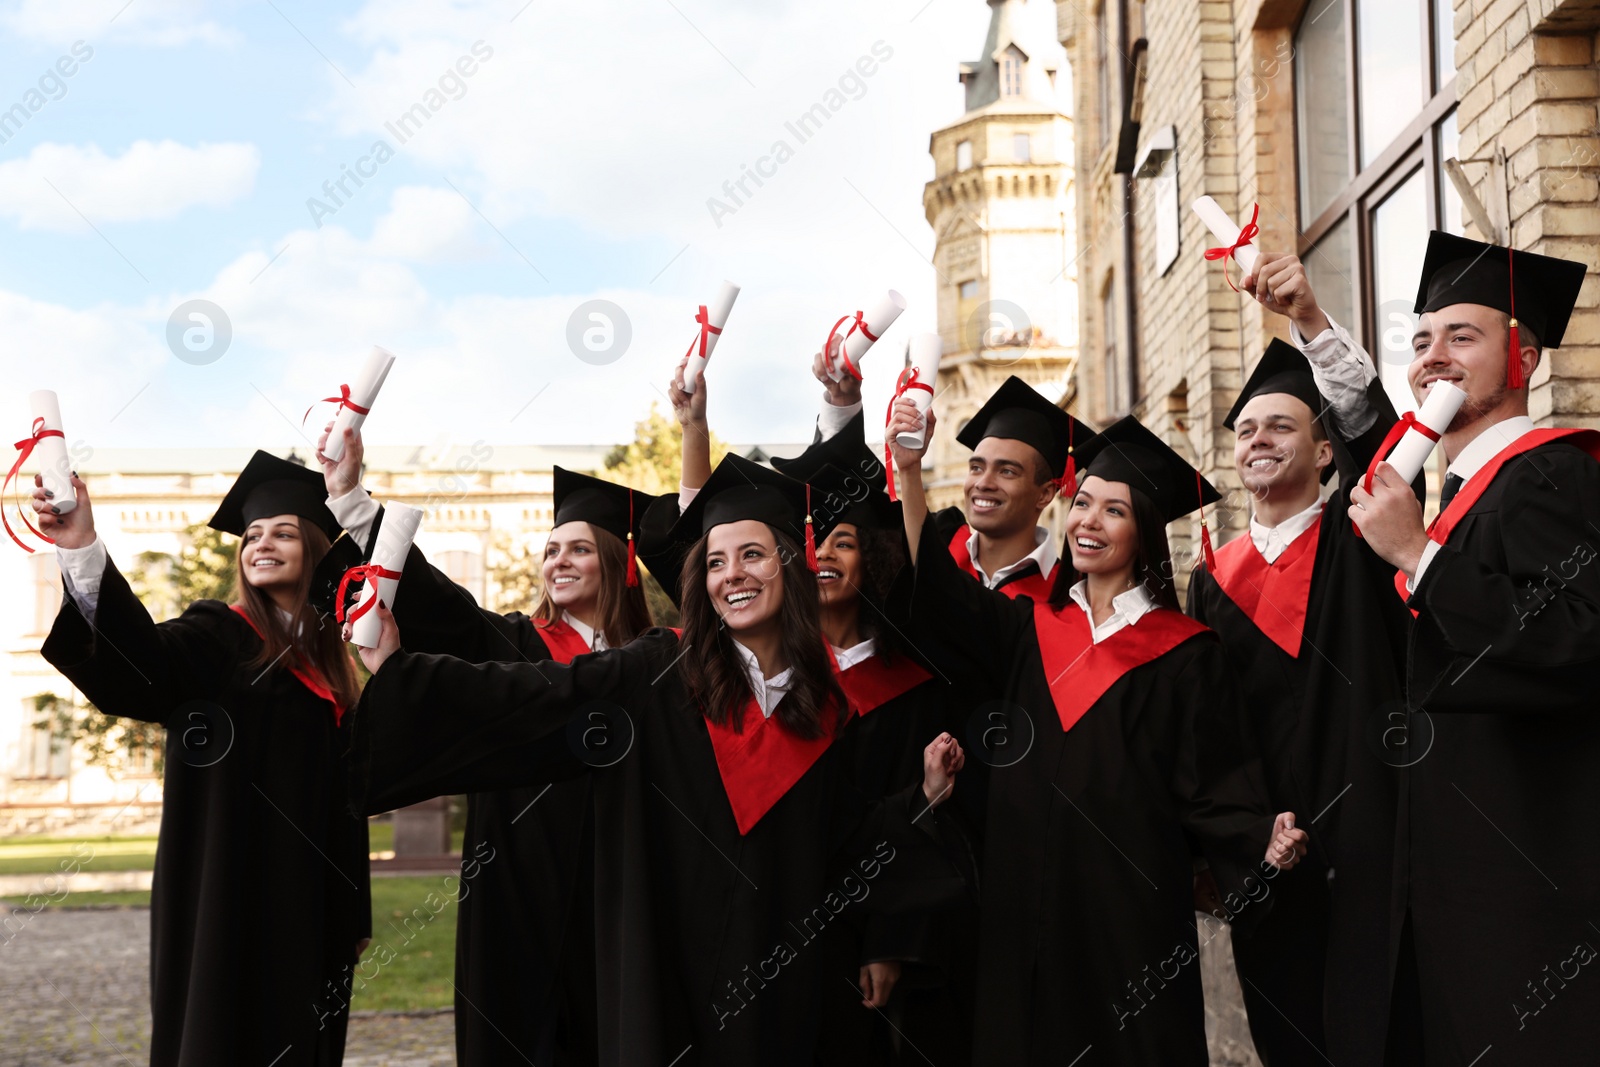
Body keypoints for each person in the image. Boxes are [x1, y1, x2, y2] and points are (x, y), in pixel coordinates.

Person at [348, 451, 964, 1066]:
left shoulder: (825, 709)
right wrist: (406, 677)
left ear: (791, 564)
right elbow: (536, 697)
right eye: (716, 562)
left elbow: (844, 840)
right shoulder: (657, 673)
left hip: (776, 996)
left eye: (752, 555)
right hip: (662, 984)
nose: (732, 575)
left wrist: (923, 798)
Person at [886, 401, 1308, 1065]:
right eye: (1083, 502)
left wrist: (1263, 842)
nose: (1089, 520)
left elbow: (1216, 786)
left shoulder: (1186, 651)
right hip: (1018, 903)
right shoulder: (1025, 627)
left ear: (1142, 531)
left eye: (1115, 509)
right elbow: (936, 590)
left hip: (1126, 914)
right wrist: (909, 471)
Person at [314, 421, 656, 1066]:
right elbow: (439, 605)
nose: (558, 561)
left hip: (623, 886)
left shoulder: (655, 662)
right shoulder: (511, 642)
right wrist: (351, 498)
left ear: (618, 565)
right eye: (551, 551)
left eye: (578, 549)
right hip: (516, 889)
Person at [1344, 232, 1599, 1063]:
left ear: (1522, 358)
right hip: (1459, 869)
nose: (1432, 358)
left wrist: (1421, 558)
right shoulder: (1451, 499)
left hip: (1532, 865)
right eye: (1420, 341)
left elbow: (1576, 638)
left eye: (1463, 336)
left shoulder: (1549, 476)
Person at [33, 451, 370, 1066]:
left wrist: (353, 914)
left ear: (317, 551)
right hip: (227, 893)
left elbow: (350, 807)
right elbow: (141, 671)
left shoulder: (332, 668)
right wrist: (81, 548)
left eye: (284, 533)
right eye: (253, 536)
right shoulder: (219, 635)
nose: (261, 544)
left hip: (311, 910)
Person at [1186, 325, 1414, 1062]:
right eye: (1246, 429)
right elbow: (1204, 737)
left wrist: (1313, 324)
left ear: (1324, 450)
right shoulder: (1210, 579)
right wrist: (1241, 841)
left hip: (1374, 842)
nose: (1257, 438)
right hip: (1268, 861)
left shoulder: (1361, 535)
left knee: (1384, 1032)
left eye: (1281, 425)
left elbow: (1379, 448)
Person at [770, 425, 975, 1064]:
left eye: (845, 542)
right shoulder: (775, 678)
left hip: (875, 931)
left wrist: (888, 940)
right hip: (784, 917)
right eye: (813, 543)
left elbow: (926, 824)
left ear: (874, 559)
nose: (825, 556)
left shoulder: (910, 685)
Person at [807, 349, 1093, 598]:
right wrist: (842, 404)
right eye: (976, 467)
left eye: (1006, 471)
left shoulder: (1067, 594)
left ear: (1045, 493)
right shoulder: (939, 540)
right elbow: (843, 507)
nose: (983, 483)